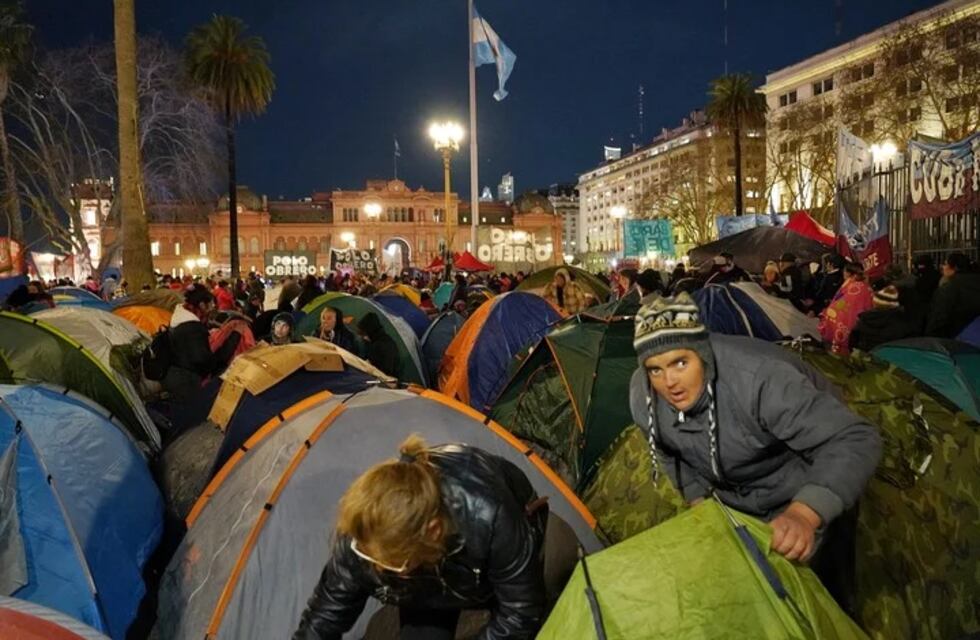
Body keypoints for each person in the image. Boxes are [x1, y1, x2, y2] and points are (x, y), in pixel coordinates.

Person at [628, 294, 880, 610]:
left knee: (823, 603)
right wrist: (697, 501)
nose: (670, 382)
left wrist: (805, 512)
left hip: (804, 490)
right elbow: (665, 449)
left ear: (702, 354)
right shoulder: (643, 395)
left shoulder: (759, 379)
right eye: (655, 369)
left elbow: (855, 438)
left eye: (681, 363)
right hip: (735, 504)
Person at [293, 435, 548, 640]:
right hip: (425, 576)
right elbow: (324, 617)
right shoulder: (363, 530)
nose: (377, 569)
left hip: (501, 550)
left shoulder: (489, 514)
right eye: (369, 557)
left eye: (393, 563)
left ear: (433, 531)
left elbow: (520, 613)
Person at [162, 285, 241, 403]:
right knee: (190, 414)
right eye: (210, 304)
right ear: (202, 305)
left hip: (175, 377)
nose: (212, 307)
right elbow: (203, 360)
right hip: (186, 382)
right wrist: (231, 342)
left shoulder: (179, 318)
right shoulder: (192, 328)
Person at [819, 262, 873, 355]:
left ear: (848, 273)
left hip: (847, 324)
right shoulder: (866, 287)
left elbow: (841, 304)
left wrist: (827, 312)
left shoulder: (851, 286)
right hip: (862, 326)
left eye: (844, 271)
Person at [848, 285, 921, 352]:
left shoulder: (863, 319)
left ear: (875, 303)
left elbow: (852, 343)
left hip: (866, 358)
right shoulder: (901, 324)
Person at [926, 252, 980, 338]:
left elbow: (938, 320)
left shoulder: (949, 287)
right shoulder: (975, 282)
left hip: (955, 339)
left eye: (945, 264)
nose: (942, 267)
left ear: (954, 267)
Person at [357, 312, 399, 378]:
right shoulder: (371, 341)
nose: (363, 337)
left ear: (370, 331)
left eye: (364, 334)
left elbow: (387, 369)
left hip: (386, 379)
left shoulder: (384, 344)